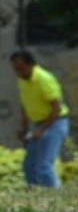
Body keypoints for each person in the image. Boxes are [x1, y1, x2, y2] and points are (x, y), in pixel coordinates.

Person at [11, 48, 69, 188]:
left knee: (44, 166)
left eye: (21, 68)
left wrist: (42, 130)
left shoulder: (44, 79)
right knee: (30, 165)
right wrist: (23, 127)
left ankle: (56, 199)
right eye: (15, 69)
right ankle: (35, 199)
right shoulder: (23, 80)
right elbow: (26, 106)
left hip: (55, 123)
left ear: (31, 65)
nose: (18, 73)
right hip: (39, 124)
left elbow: (57, 108)